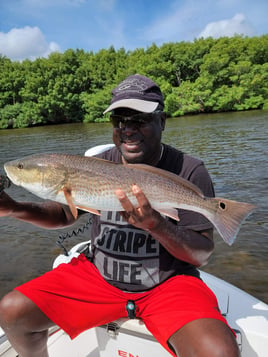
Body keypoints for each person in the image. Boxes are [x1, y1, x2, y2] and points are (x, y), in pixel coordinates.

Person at [0, 74, 240, 357]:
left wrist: (157, 225)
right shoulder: (97, 161)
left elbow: (201, 255)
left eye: (139, 120)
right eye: (120, 121)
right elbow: (65, 214)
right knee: (12, 311)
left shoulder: (189, 170)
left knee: (218, 351)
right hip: (98, 277)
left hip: (168, 283)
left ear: (161, 121)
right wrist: (14, 208)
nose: (128, 129)